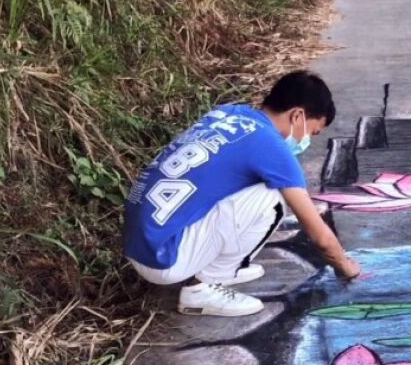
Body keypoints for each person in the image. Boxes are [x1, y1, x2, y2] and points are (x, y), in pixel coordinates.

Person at [123, 70, 361, 317]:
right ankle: (202, 287)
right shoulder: (271, 146)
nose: (307, 139)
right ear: (297, 115)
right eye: (313, 132)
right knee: (271, 199)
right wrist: (346, 266)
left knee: (244, 184)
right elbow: (318, 234)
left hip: (141, 239)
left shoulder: (227, 114)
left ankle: (222, 267)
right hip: (163, 258)